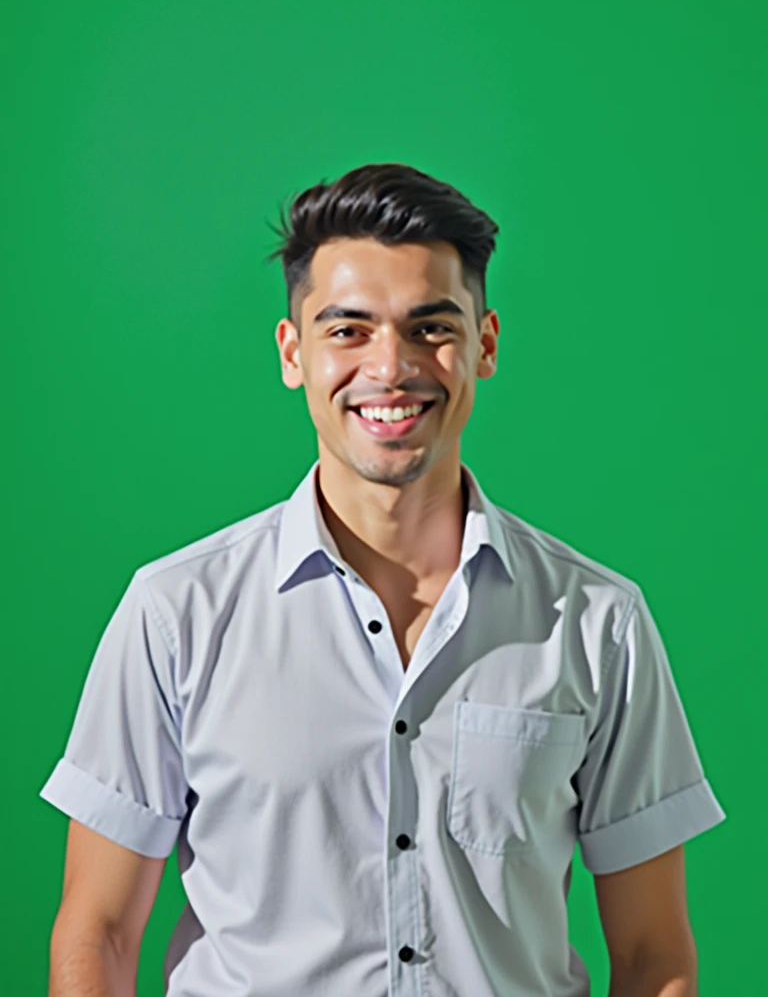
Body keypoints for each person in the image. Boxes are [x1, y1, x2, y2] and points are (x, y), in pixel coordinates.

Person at [41, 161, 726, 996]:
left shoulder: (597, 624)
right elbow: (99, 931)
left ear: (485, 344)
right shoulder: (176, 612)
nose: (391, 367)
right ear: (293, 352)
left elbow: (657, 956)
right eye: (348, 330)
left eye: (430, 326)